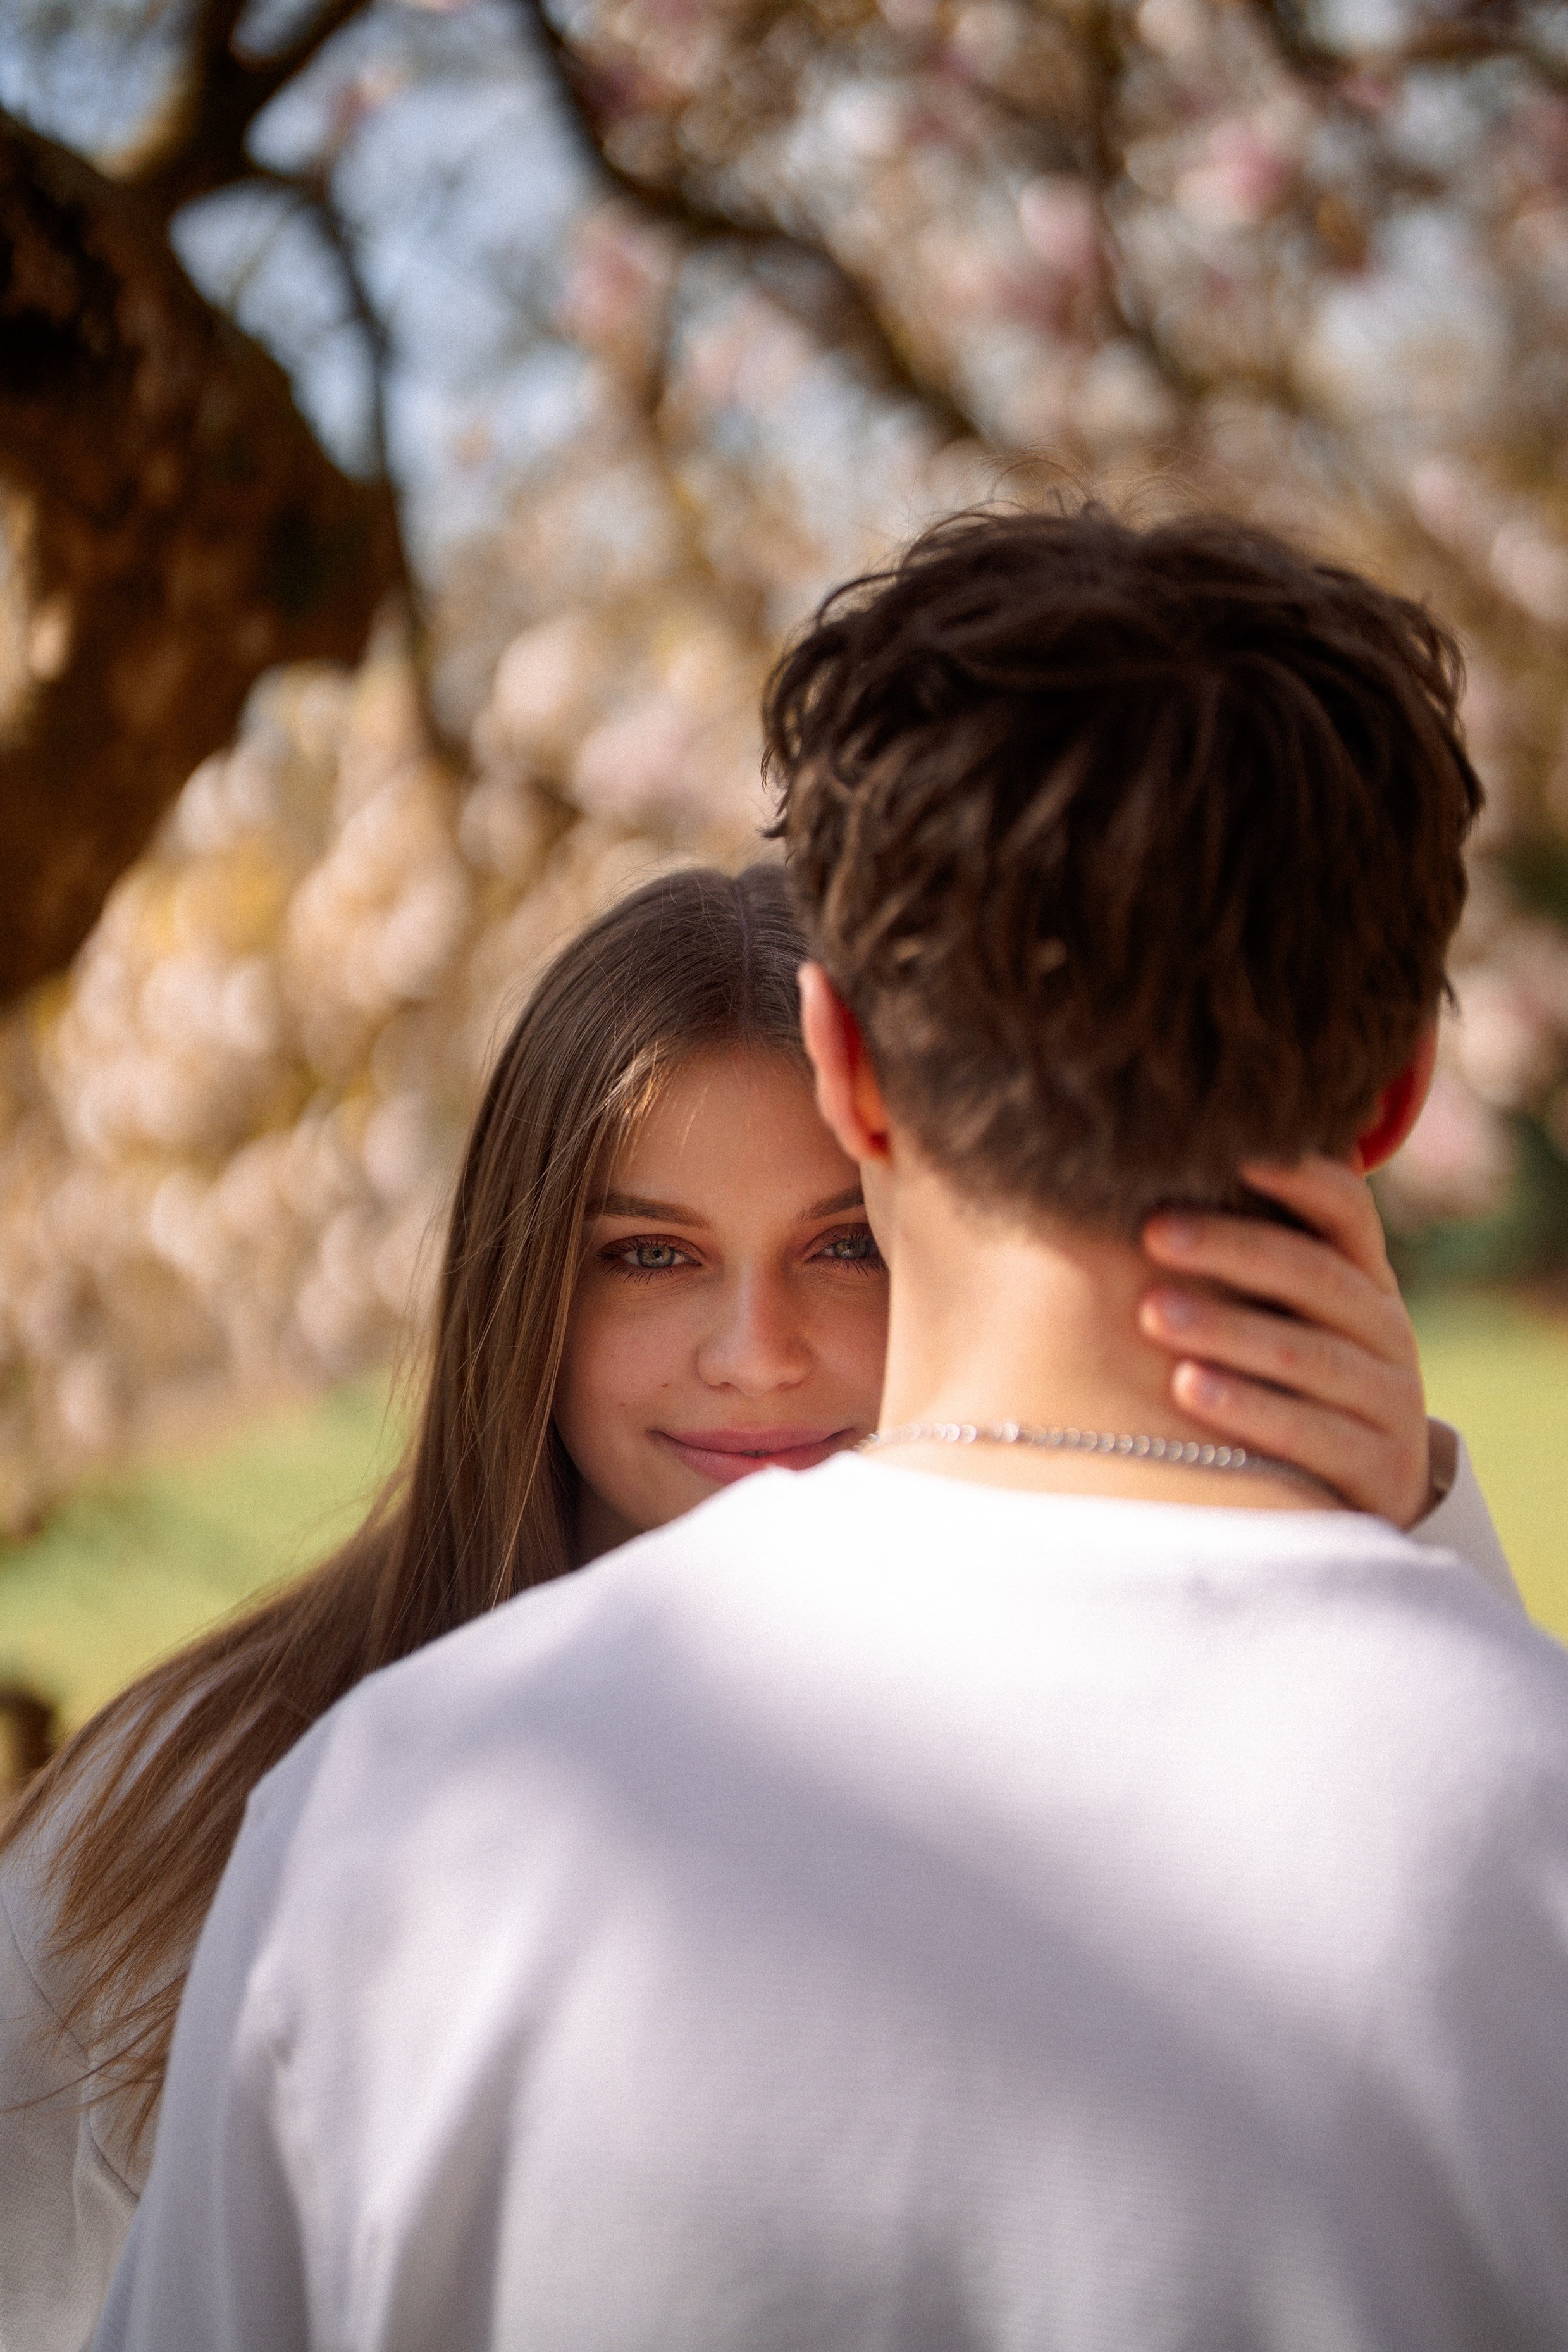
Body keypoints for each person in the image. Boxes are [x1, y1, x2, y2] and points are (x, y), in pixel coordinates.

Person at [89, 507, 1567, 2351]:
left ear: (843, 1062)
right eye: (646, 1255)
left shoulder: (404, 1820)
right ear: (1402, 1096)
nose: (751, 1354)